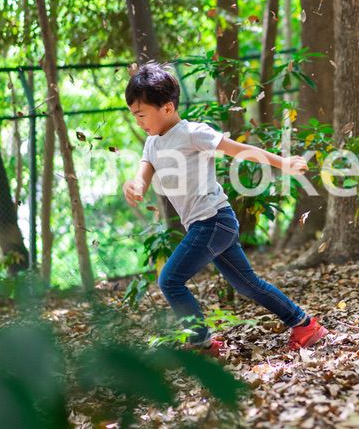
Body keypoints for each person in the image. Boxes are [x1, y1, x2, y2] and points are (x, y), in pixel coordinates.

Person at [122, 62, 328, 355]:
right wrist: (134, 187)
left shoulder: (192, 133)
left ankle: (202, 342)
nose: (139, 122)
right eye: (134, 115)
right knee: (247, 284)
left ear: (167, 108)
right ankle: (305, 325)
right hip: (209, 225)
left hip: (213, 221)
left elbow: (238, 149)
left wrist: (284, 163)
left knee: (169, 280)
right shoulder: (152, 143)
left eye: (141, 115)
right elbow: (144, 174)